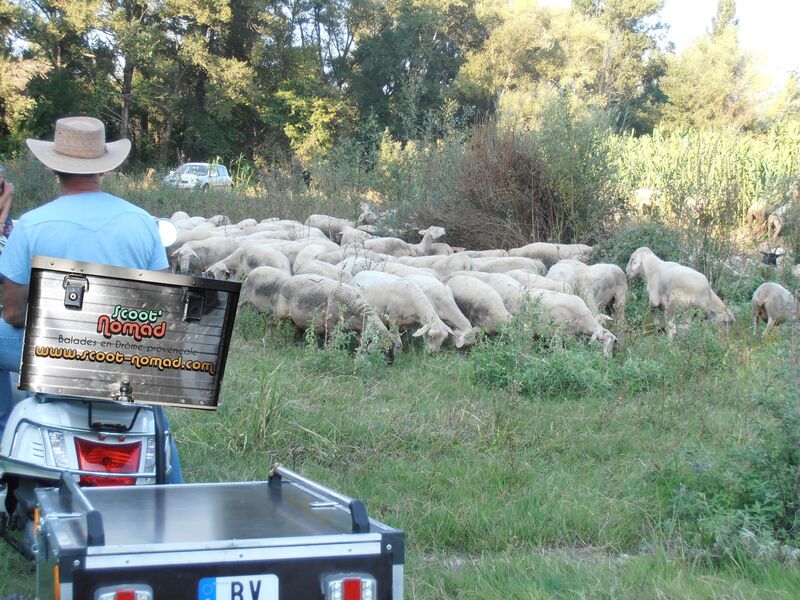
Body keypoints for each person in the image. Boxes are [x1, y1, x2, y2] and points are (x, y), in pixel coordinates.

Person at [0, 116, 183, 483]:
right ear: (104, 168)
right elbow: (162, 308)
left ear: (54, 166)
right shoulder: (142, 222)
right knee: (149, 361)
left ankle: (5, 435)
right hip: (122, 352)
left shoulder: (33, 225)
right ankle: (172, 483)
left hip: (53, 351)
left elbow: (15, 312)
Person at [0, 164, 13, 245]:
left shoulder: (5, 187)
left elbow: (6, 209)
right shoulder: (8, 190)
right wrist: (7, 193)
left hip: (4, 223)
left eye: (0, 176)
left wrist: (1, 223)